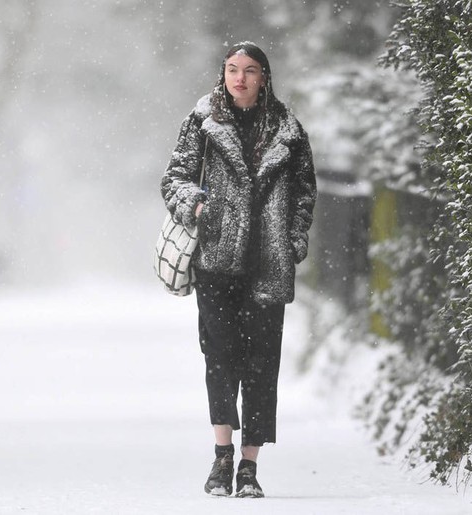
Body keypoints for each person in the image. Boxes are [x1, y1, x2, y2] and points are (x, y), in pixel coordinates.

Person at [160, 41, 316, 498]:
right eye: (232, 69)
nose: (240, 78)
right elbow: (174, 178)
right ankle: (221, 455)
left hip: (268, 264)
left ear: (264, 77)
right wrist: (198, 206)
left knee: (262, 365)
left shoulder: (288, 129)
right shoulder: (203, 122)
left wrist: (293, 239)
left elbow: (305, 192)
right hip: (217, 261)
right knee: (221, 357)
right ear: (223, 74)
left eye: (249, 70)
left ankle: (249, 465)